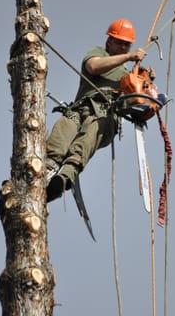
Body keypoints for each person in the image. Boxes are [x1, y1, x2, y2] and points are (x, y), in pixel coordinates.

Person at [46, 18, 146, 202]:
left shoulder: (128, 76)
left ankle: (65, 176)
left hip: (105, 116)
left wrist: (144, 86)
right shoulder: (98, 53)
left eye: (127, 45)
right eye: (120, 43)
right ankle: (46, 170)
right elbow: (93, 67)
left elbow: (138, 107)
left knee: (88, 137)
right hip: (80, 109)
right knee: (62, 133)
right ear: (109, 41)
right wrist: (128, 58)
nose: (124, 48)